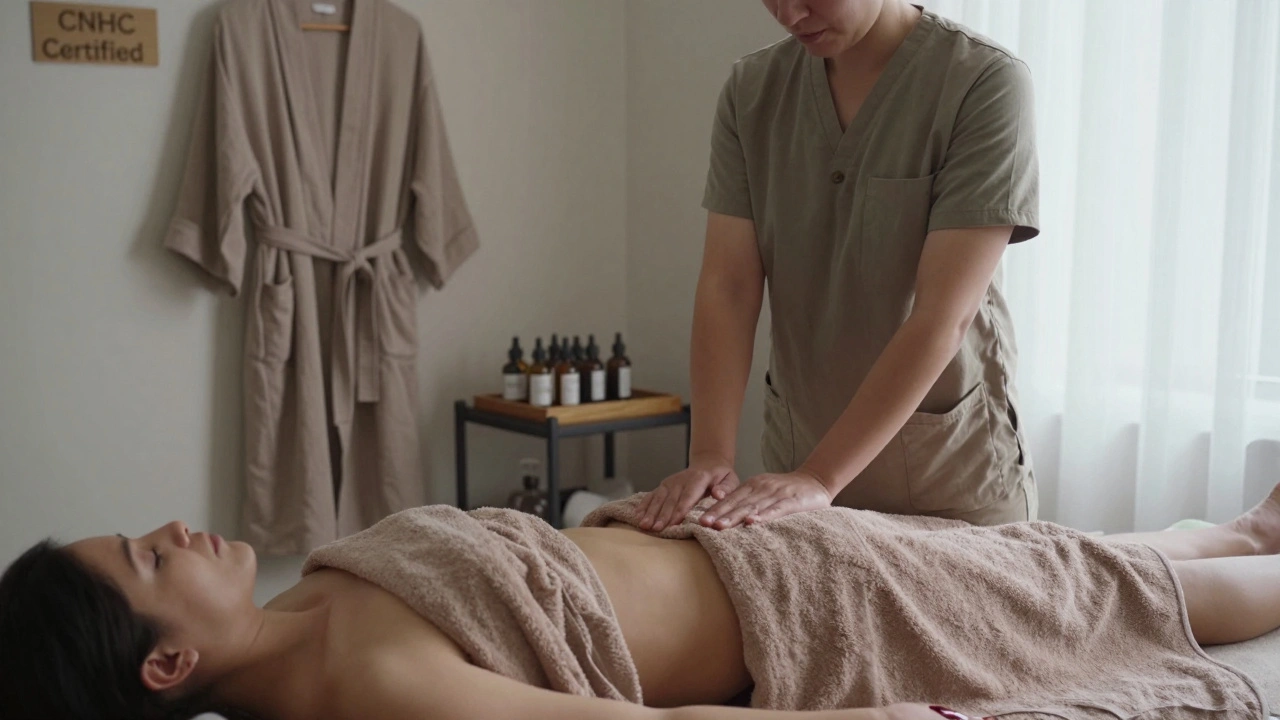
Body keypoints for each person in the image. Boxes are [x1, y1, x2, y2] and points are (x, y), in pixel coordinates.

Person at [3, 484, 1280, 720]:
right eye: (152, 561)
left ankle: (1241, 524)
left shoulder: (301, 606)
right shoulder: (367, 688)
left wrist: (618, 524)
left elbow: (517, 575)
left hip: (769, 552)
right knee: (1094, 595)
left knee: (1057, 553)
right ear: (165, 668)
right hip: (822, 617)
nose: (175, 530)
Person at [639, 0, 1040, 533]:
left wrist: (821, 478)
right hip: (792, 475)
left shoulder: (982, 81)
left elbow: (944, 315)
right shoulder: (752, 91)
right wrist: (711, 454)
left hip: (948, 485)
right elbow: (728, 287)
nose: (788, 13)